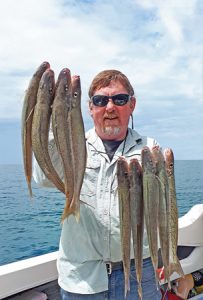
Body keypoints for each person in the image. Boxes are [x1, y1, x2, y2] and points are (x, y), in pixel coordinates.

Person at [33, 69, 162, 299]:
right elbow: (43, 178)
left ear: (132, 105)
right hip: (83, 280)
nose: (110, 107)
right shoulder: (72, 145)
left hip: (139, 274)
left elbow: (160, 206)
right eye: (100, 100)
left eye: (119, 99)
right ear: (90, 108)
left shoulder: (150, 150)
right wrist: (54, 120)